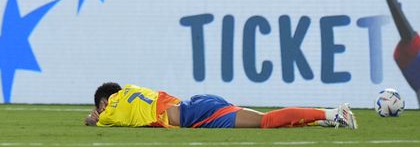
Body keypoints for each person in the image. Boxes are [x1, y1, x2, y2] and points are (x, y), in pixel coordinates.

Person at [86, 81, 355, 128]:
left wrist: (94, 118)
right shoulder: (132, 89)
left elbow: (97, 119)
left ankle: (334, 112)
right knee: (264, 121)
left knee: (266, 121)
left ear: (103, 102)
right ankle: (321, 119)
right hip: (198, 103)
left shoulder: (109, 111)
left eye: (99, 107)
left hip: (197, 113)